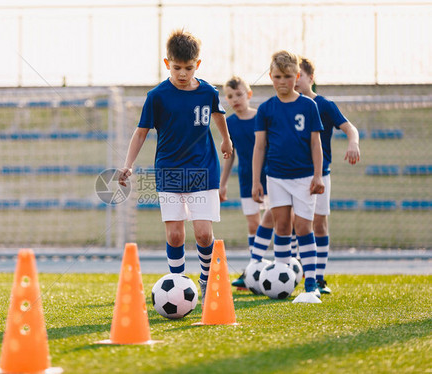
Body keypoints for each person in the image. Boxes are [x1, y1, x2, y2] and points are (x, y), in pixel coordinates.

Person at [118, 29, 233, 303]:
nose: (183, 73)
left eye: (189, 68)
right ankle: (179, 285)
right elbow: (141, 132)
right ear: (167, 63)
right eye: (177, 67)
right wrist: (128, 164)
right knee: (175, 233)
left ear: (198, 65)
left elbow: (218, 114)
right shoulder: (157, 96)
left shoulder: (208, 91)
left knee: (204, 233)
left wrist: (226, 140)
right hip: (169, 170)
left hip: (203, 169)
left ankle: (205, 280)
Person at [252, 50, 325, 303]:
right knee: (281, 225)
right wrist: (256, 181)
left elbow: (316, 144)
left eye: (287, 76)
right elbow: (259, 147)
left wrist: (318, 175)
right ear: (271, 77)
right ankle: (282, 274)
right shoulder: (265, 109)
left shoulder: (309, 106)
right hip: (277, 177)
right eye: (277, 76)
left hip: (305, 177)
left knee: (304, 227)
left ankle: (312, 283)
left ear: (297, 77)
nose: (282, 81)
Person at [294, 56, 360, 294]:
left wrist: (353, 143)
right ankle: (290, 274)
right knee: (294, 225)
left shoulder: (324, 105)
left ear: (311, 78)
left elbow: (349, 127)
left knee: (319, 224)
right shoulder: (286, 106)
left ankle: (319, 277)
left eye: (299, 75)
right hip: (291, 174)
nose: (294, 80)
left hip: (320, 174)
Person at [219, 76, 274, 289]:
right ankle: (255, 268)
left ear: (249, 94)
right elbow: (230, 155)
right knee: (253, 224)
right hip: (245, 181)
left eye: (239, 94)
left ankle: (283, 264)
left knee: (279, 222)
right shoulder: (229, 123)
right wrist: (222, 184)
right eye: (230, 96)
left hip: (270, 178)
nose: (235, 99)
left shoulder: (261, 117)